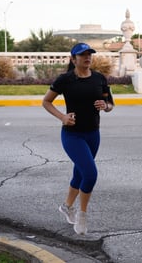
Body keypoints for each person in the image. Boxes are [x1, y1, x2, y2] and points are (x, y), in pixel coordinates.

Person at [42, 43, 115, 235]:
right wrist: (62, 117)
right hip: (72, 135)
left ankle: (67, 206)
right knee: (90, 174)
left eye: (89, 54)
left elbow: (110, 103)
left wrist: (105, 106)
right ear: (73, 59)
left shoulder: (99, 78)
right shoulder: (65, 79)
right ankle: (82, 215)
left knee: (80, 174)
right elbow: (46, 101)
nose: (87, 57)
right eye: (82, 55)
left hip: (93, 134)